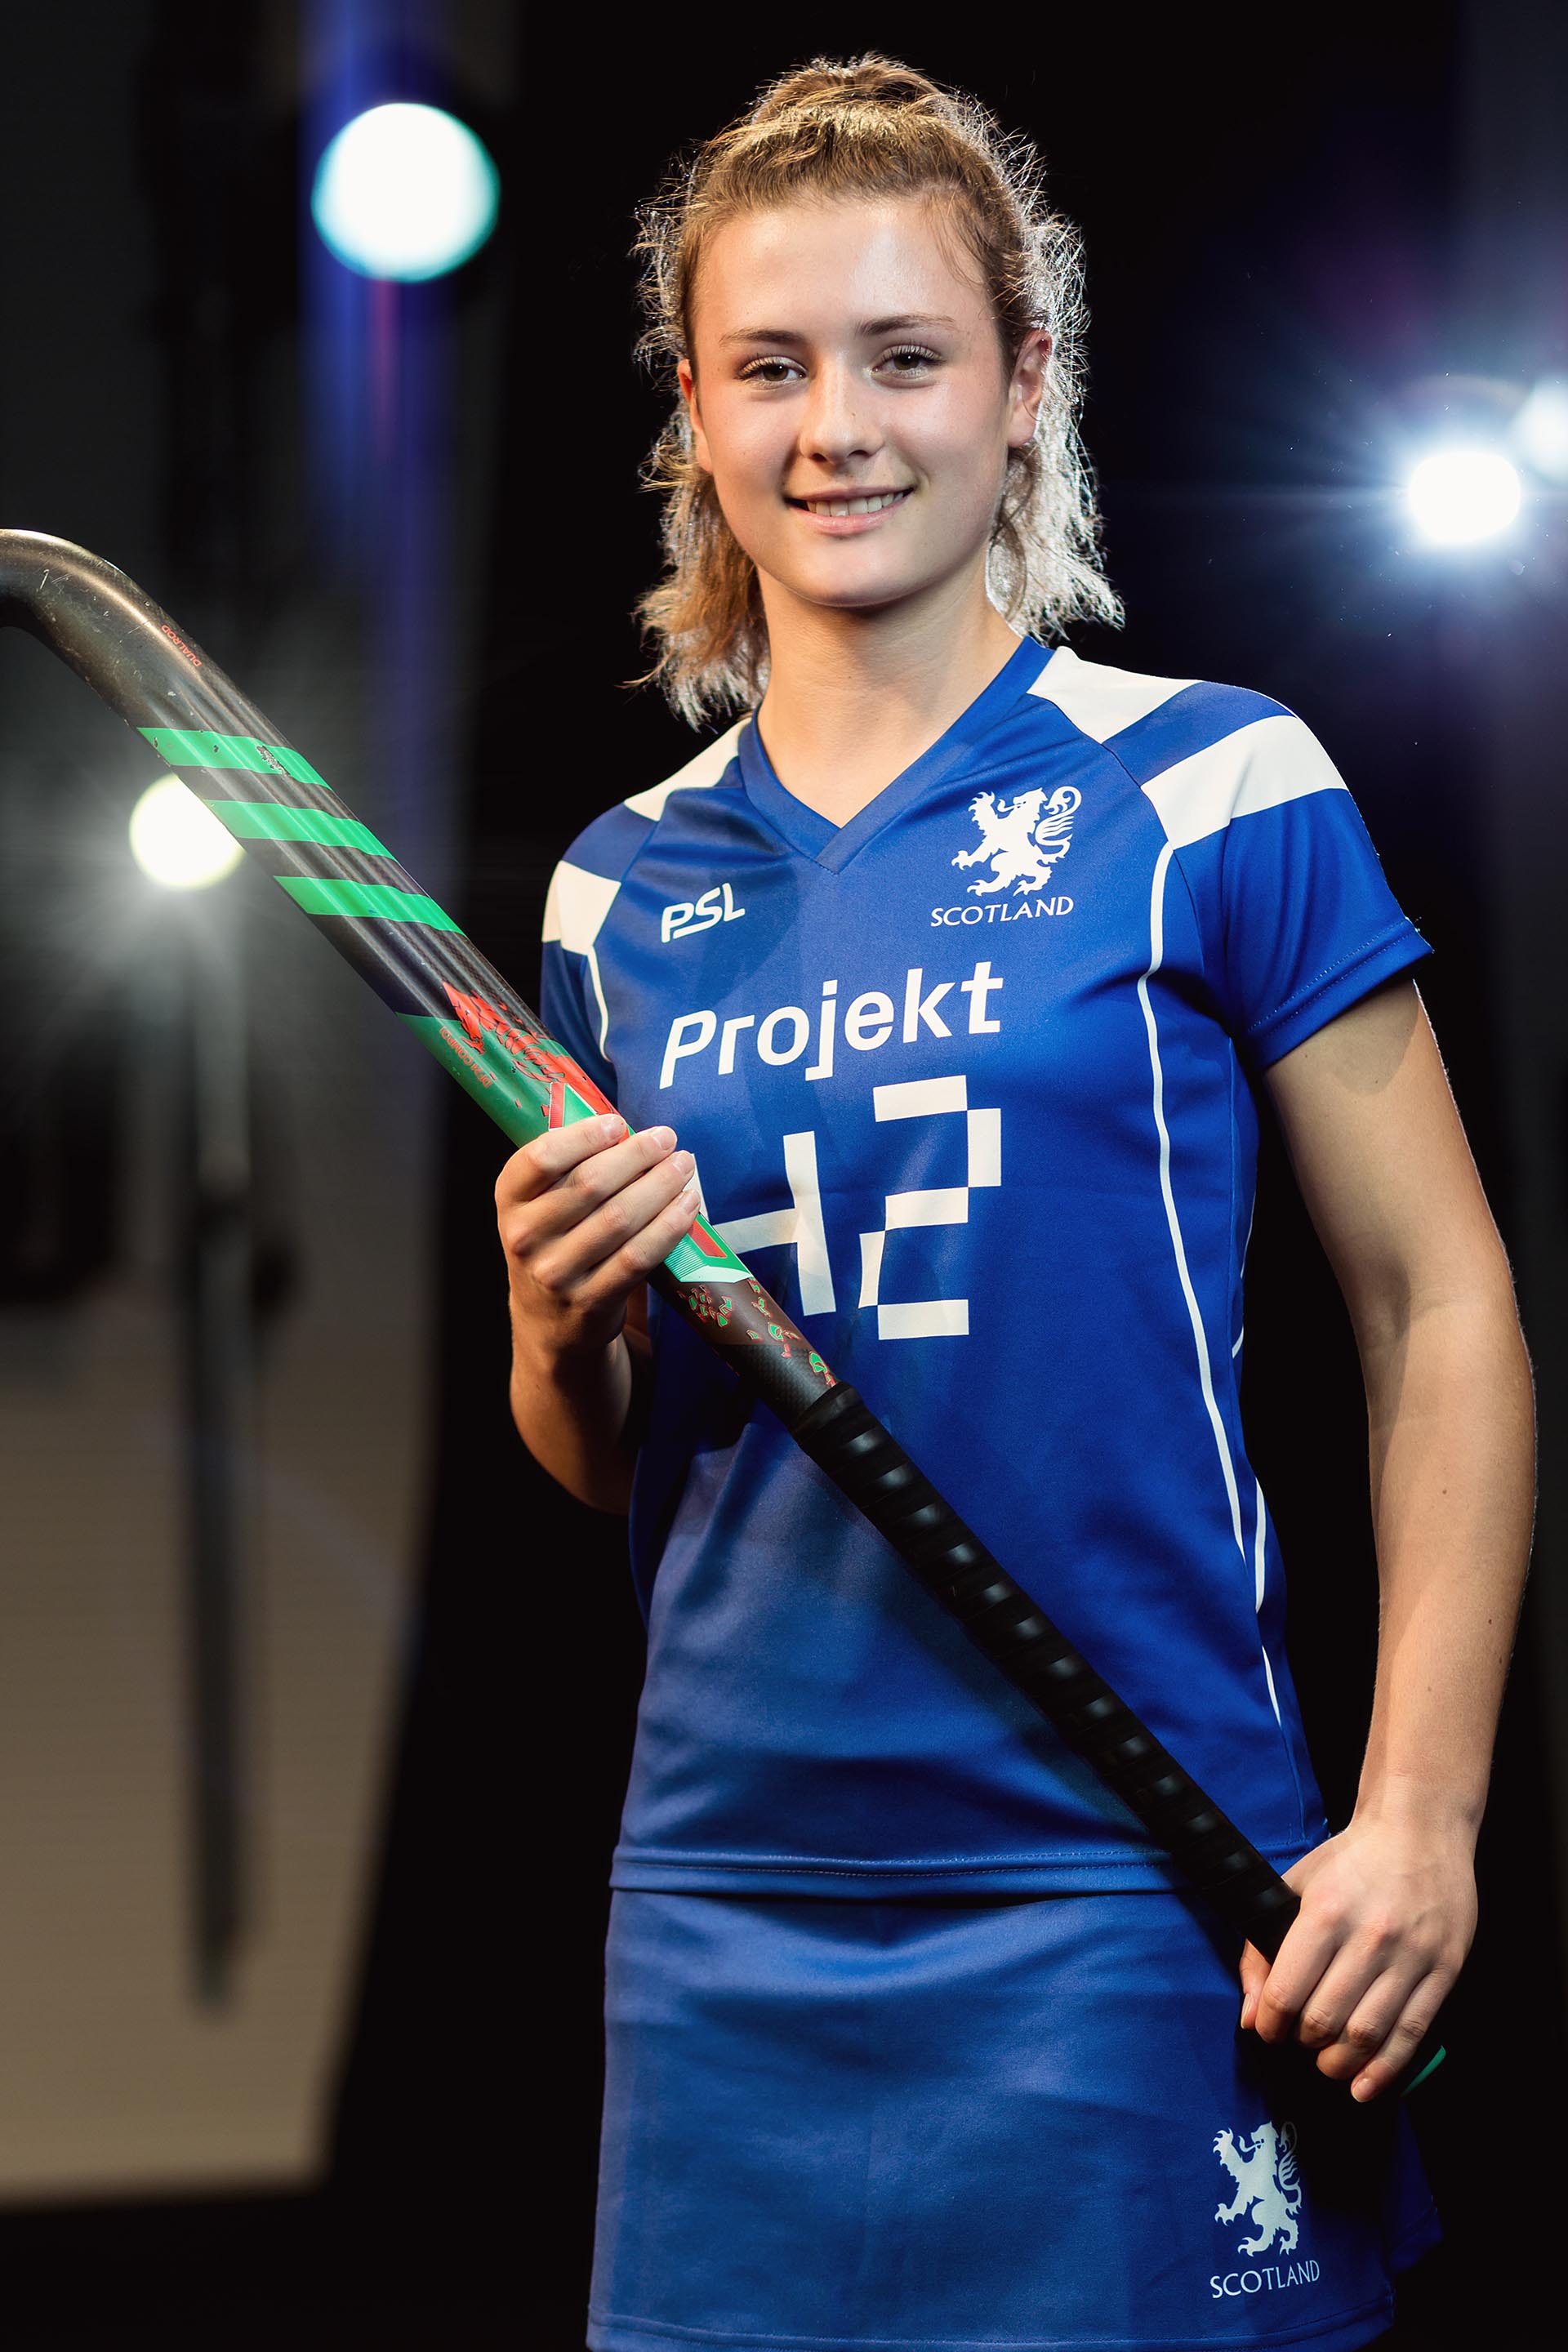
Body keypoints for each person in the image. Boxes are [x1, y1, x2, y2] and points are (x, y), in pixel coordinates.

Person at [498, 54, 1535, 2352]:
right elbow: (610, 1462)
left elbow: (1439, 1308)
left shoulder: (1214, 783)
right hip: (725, 1905)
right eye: (771, 366)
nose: (837, 428)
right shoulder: (612, 894)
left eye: (905, 356)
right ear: (695, 408)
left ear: (1023, 381)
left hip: (1132, 1882)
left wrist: (1422, 1816)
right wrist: (552, 1328)